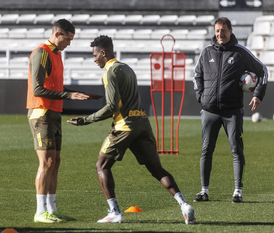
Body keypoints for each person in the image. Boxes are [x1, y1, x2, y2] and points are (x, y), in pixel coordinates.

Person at [67, 35, 196, 224]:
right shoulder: (127, 68)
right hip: (142, 124)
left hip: (124, 126)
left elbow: (111, 106)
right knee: (157, 169)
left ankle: (115, 212)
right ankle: (184, 206)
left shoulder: (110, 72)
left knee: (102, 166)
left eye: (95, 55)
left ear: (103, 53)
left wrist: (85, 120)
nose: (94, 59)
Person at [27, 19, 99, 223]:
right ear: (58, 34)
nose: (69, 43)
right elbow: (38, 90)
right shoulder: (42, 52)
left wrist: (77, 93)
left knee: (55, 162)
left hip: (54, 112)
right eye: (68, 39)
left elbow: (55, 86)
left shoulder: (56, 54)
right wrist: (69, 96)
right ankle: (40, 212)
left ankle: (52, 209)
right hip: (41, 113)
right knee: (46, 162)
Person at [192, 17, 268, 203]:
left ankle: (237, 191)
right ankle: (204, 191)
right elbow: (196, 75)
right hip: (209, 110)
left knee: (236, 150)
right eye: (217, 31)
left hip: (232, 111)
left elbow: (263, 71)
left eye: (223, 30)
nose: (220, 34)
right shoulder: (206, 52)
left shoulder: (240, 53)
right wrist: (200, 97)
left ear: (230, 31)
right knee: (206, 150)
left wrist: (258, 95)